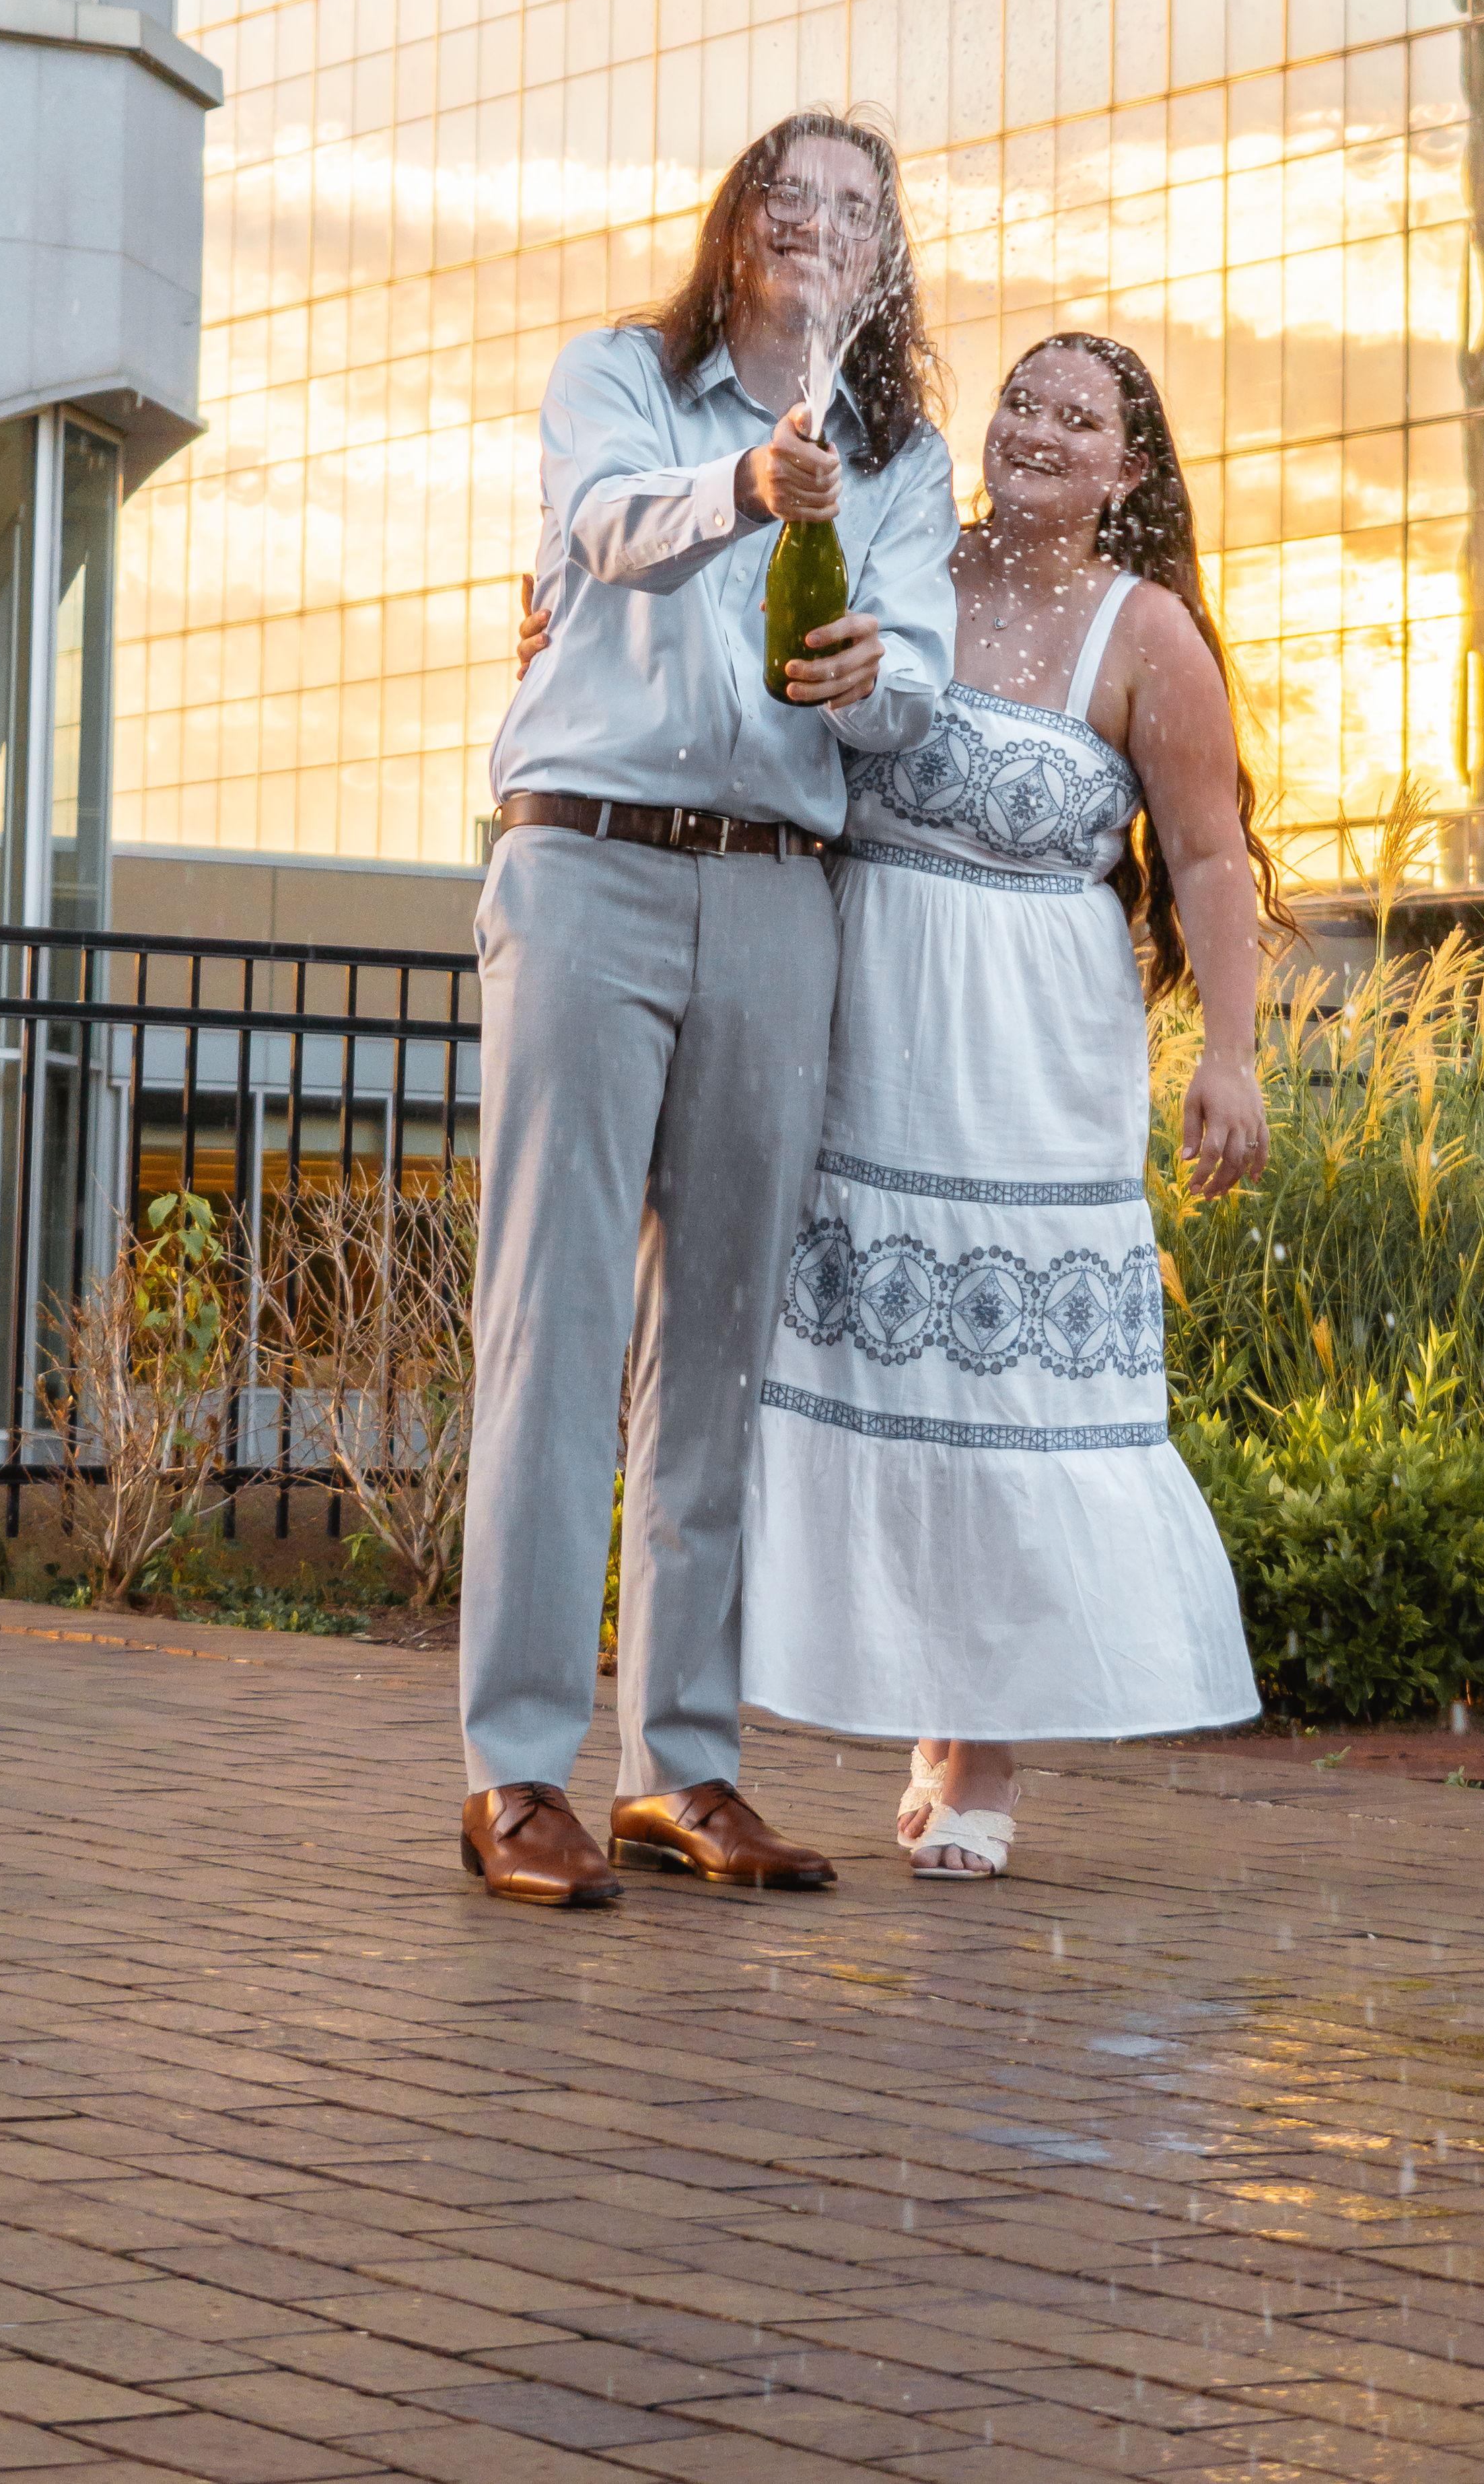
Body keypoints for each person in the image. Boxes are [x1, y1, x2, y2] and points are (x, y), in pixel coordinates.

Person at [514, 332, 1279, 1878]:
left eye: (1081, 418)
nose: (1039, 430)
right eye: (1024, 401)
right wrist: (562, 629)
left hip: (1037, 1055)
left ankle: (980, 1741)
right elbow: (725, 635)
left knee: (1001, 1391)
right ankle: (788, 1722)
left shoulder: (1147, 632)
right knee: (865, 1358)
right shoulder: (901, 547)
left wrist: (1233, 1054)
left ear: (1129, 470)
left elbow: (1207, 854)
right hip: (864, 1017)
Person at [459, 110, 958, 1908]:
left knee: (723, 1345)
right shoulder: (621, 378)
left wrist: (875, 672)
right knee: (557, 1321)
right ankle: (517, 1771)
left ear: (882, 256)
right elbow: (605, 531)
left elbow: (915, 680)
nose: (819, 221)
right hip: (587, 861)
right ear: (738, 223)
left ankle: (681, 1768)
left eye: (854, 206)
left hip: (774, 890)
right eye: (789, 193)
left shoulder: (903, 459)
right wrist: (748, 486)